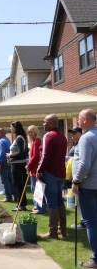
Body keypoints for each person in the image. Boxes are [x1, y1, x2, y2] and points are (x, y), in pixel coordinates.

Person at [72, 109, 97, 268]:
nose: (77, 122)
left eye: (79, 118)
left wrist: (76, 180)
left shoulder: (86, 137)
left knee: (91, 222)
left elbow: (84, 163)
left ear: (85, 120)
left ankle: (96, 259)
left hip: (88, 185)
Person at [37, 114, 67, 238]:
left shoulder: (48, 136)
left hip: (50, 172)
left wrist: (39, 170)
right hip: (60, 173)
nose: (43, 124)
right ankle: (63, 230)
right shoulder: (63, 137)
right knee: (59, 200)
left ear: (51, 123)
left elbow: (45, 155)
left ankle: (53, 232)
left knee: (52, 202)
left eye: (45, 122)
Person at [6, 121, 28, 212]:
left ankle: (21, 205)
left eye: (11, 127)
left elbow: (22, 153)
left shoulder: (19, 138)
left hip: (18, 165)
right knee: (19, 185)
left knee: (18, 185)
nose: (10, 129)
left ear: (16, 127)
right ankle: (21, 204)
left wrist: (10, 155)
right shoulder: (20, 137)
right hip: (17, 164)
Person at [67, 127, 85, 230]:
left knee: (82, 202)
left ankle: (84, 222)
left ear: (80, 133)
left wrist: (76, 179)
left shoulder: (82, 144)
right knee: (79, 202)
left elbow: (83, 163)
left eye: (74, 133)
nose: (72, 135)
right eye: (71, 133)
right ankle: (84, 221)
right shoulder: (76, 144)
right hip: (76, 177)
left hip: (81, 179)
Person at [26, 125, 46, 214]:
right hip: (33, 169)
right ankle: (37, 206)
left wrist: (28, 165)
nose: (30, 133)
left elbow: (35, 156)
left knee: (36, 189)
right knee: (35, 188)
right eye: (29, 132)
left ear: (36, 132)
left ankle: (40, 208)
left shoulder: (37, 141)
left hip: (35, 169)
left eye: (32, 131)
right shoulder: (34, 142)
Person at [0, 128, 14, 202]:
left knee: (5, 180)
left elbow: (2, 153)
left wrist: (0, 163)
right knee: (9, 179)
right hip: (8, 162)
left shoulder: (1, 141)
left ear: (1, 133)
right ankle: (14, 195)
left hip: (3, 162)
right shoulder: (7, 140)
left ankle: (8, 197)